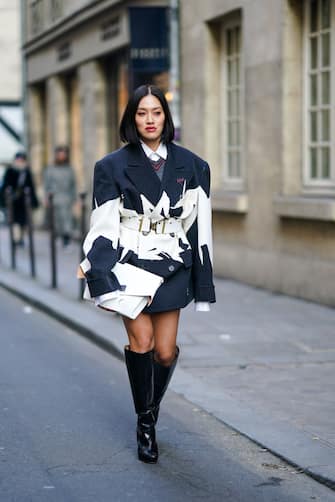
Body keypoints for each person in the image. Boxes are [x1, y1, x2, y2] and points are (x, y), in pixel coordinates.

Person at [79, 84, 216, 463]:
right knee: (142, 343)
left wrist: (202, 281)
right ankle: (146, 427)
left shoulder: (194, 165)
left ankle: (148, 410)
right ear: (132, 118)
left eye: (156, 112)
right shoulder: (111, 166)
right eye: (142, 113)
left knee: (166, 351)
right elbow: (102, 224)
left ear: (165, 117)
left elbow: (199, 227)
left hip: (172, 264)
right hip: (129, 264)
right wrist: (99, 275)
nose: (150, 120)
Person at [0, 152, 38, 246]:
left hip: (24, 201)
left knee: (23, 222)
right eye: (18, 159)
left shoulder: (26, 172)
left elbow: (31, 187)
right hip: (13, 201)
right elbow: (5, 185)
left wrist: (34, 201)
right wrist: (4, 200)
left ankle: (20, 238)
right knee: (14, 221)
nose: (20, 161)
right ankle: (16, 239)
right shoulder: (10, 171)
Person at [44, 146, 76, 247]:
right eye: (60, 154)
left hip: (66, 198)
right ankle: (56, 237)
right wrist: (46, 198)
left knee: (67, 220)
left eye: (64, 154)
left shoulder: (69, 169)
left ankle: (66, 239)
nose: (62, 156)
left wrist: (74, 199)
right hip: (55, 198)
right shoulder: (50, 169)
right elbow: (47, 185)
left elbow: (73, 185)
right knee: (56, 220)